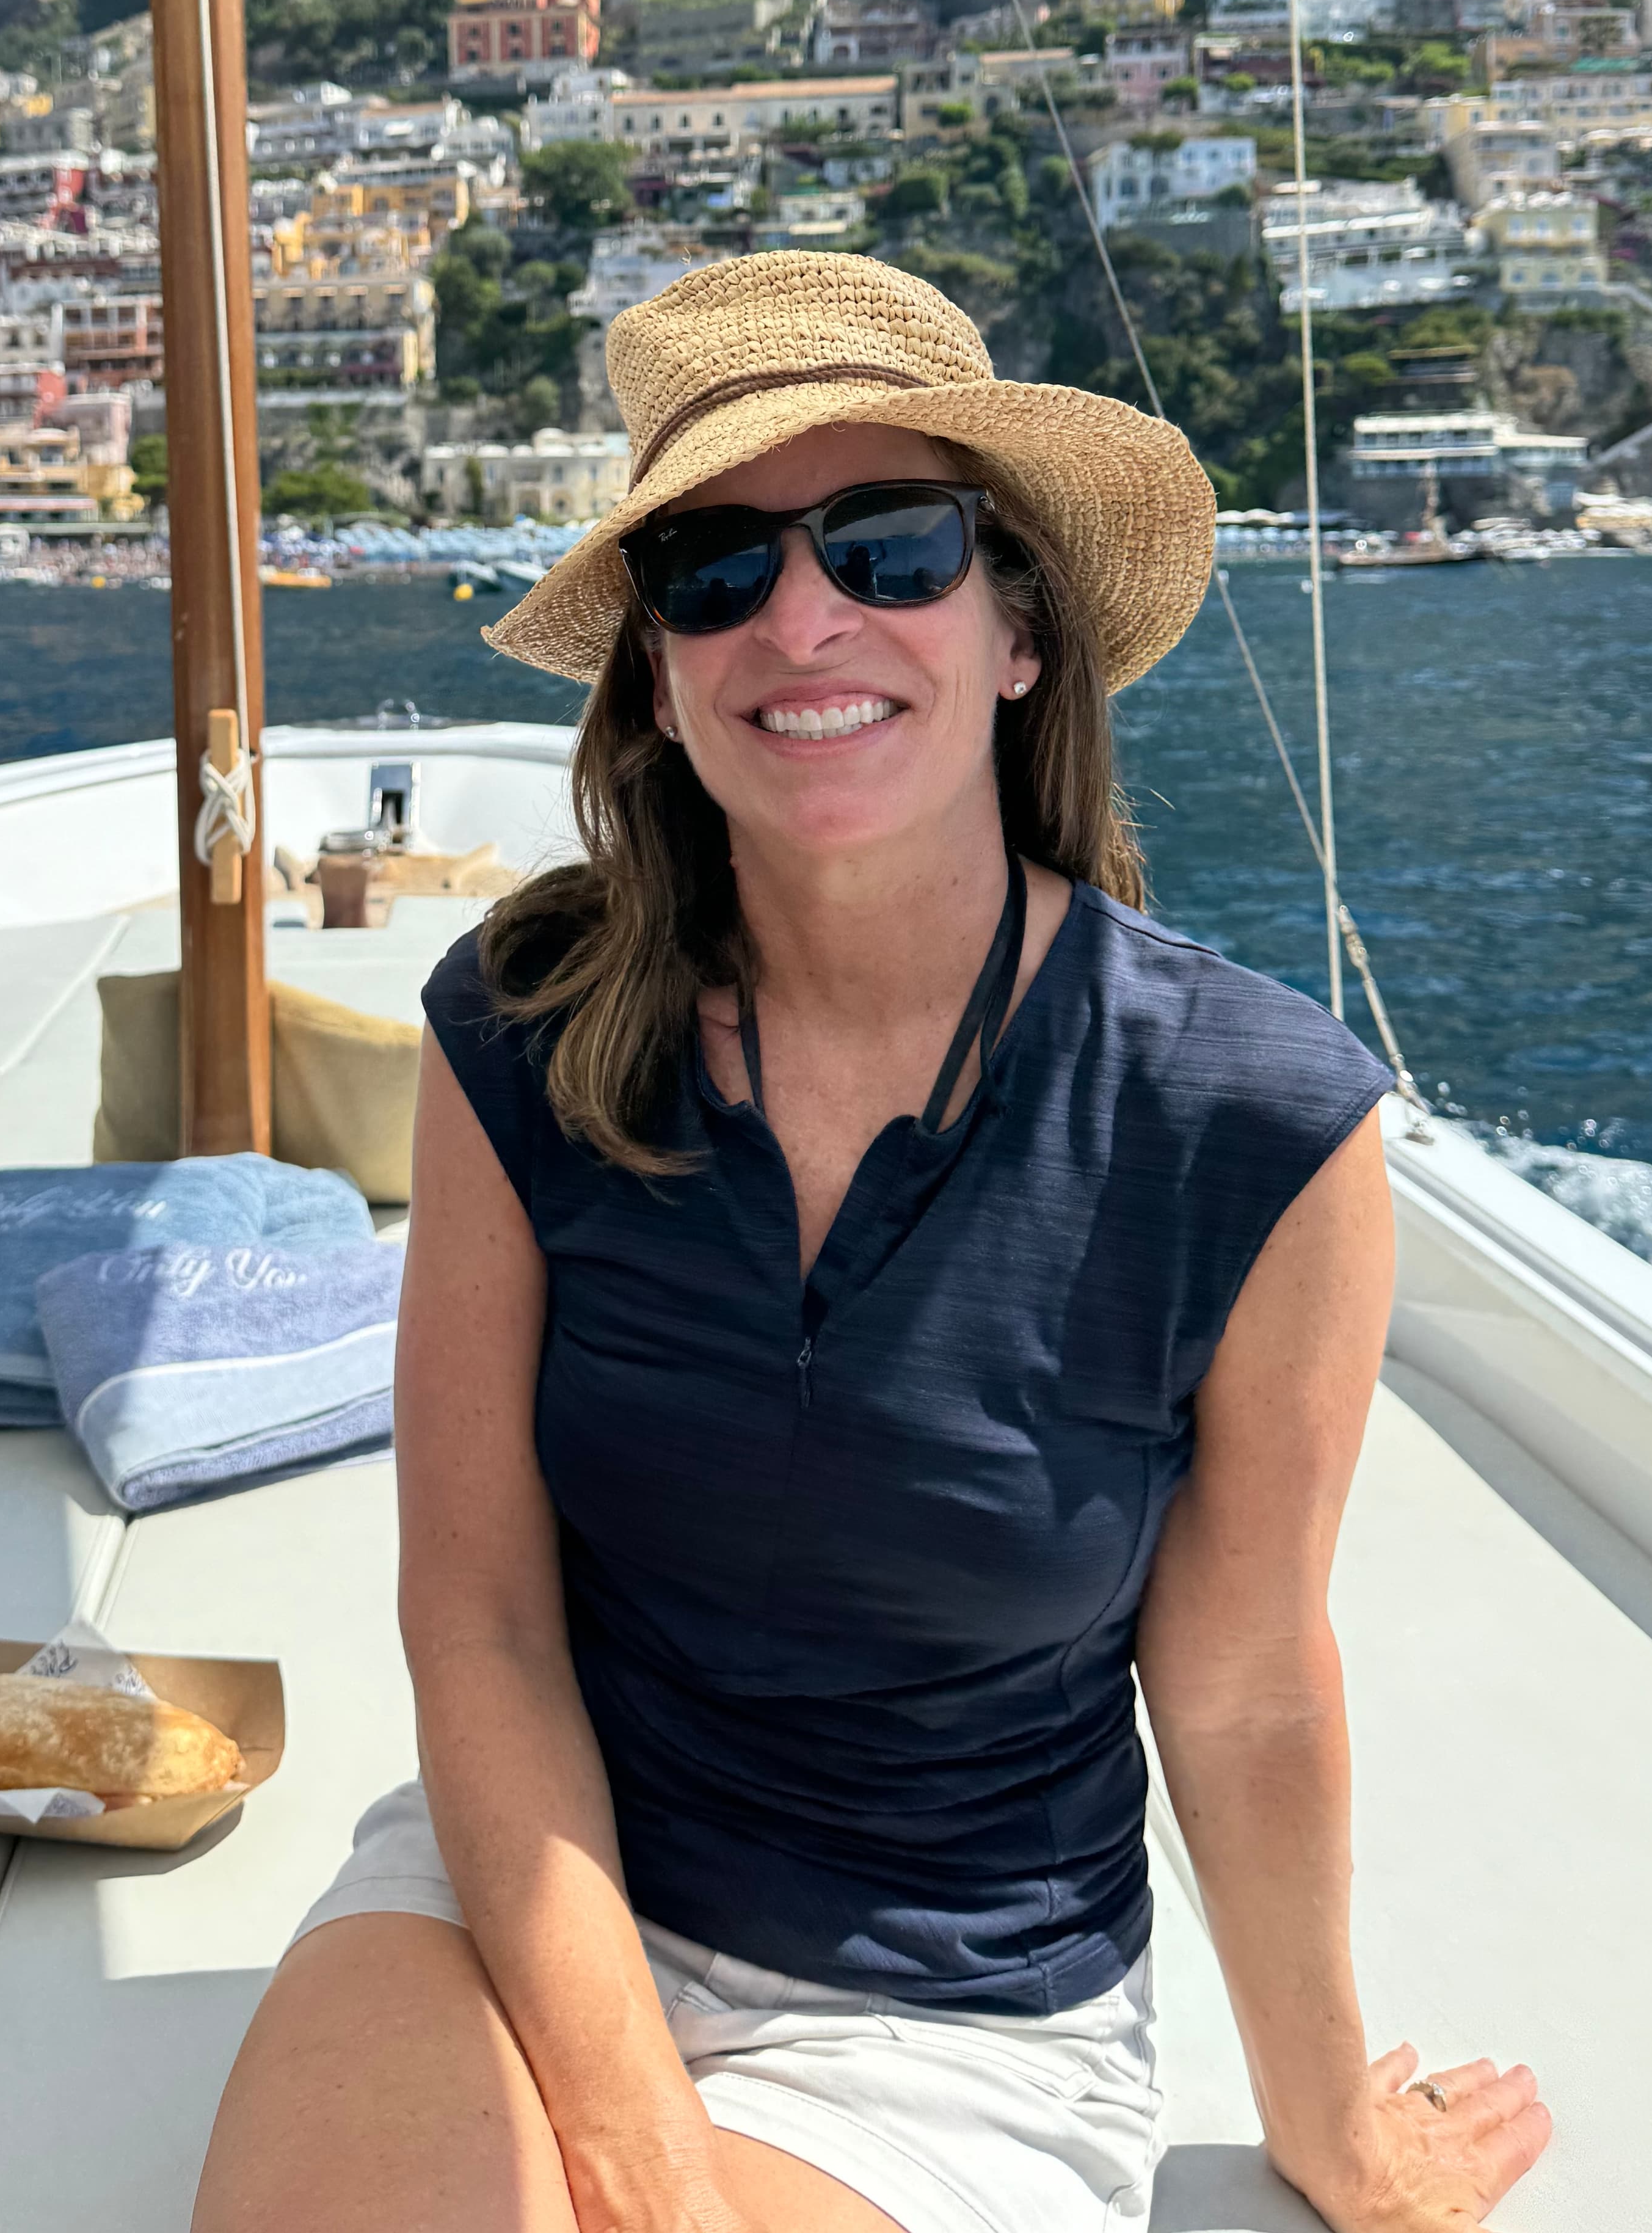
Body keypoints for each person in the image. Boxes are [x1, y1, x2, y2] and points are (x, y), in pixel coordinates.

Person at [194, 255, 1550, 2233]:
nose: (804, 615)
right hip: (537, 1887)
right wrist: (641, 2152)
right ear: (660, 671)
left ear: (1017, 629)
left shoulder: (1255, 1119)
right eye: (716, 568)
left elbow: (1246, 1681)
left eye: (891, 545)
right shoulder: (530, 1029)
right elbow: (480, 1619)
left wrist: (1332, 2119)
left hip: (959, 2028)